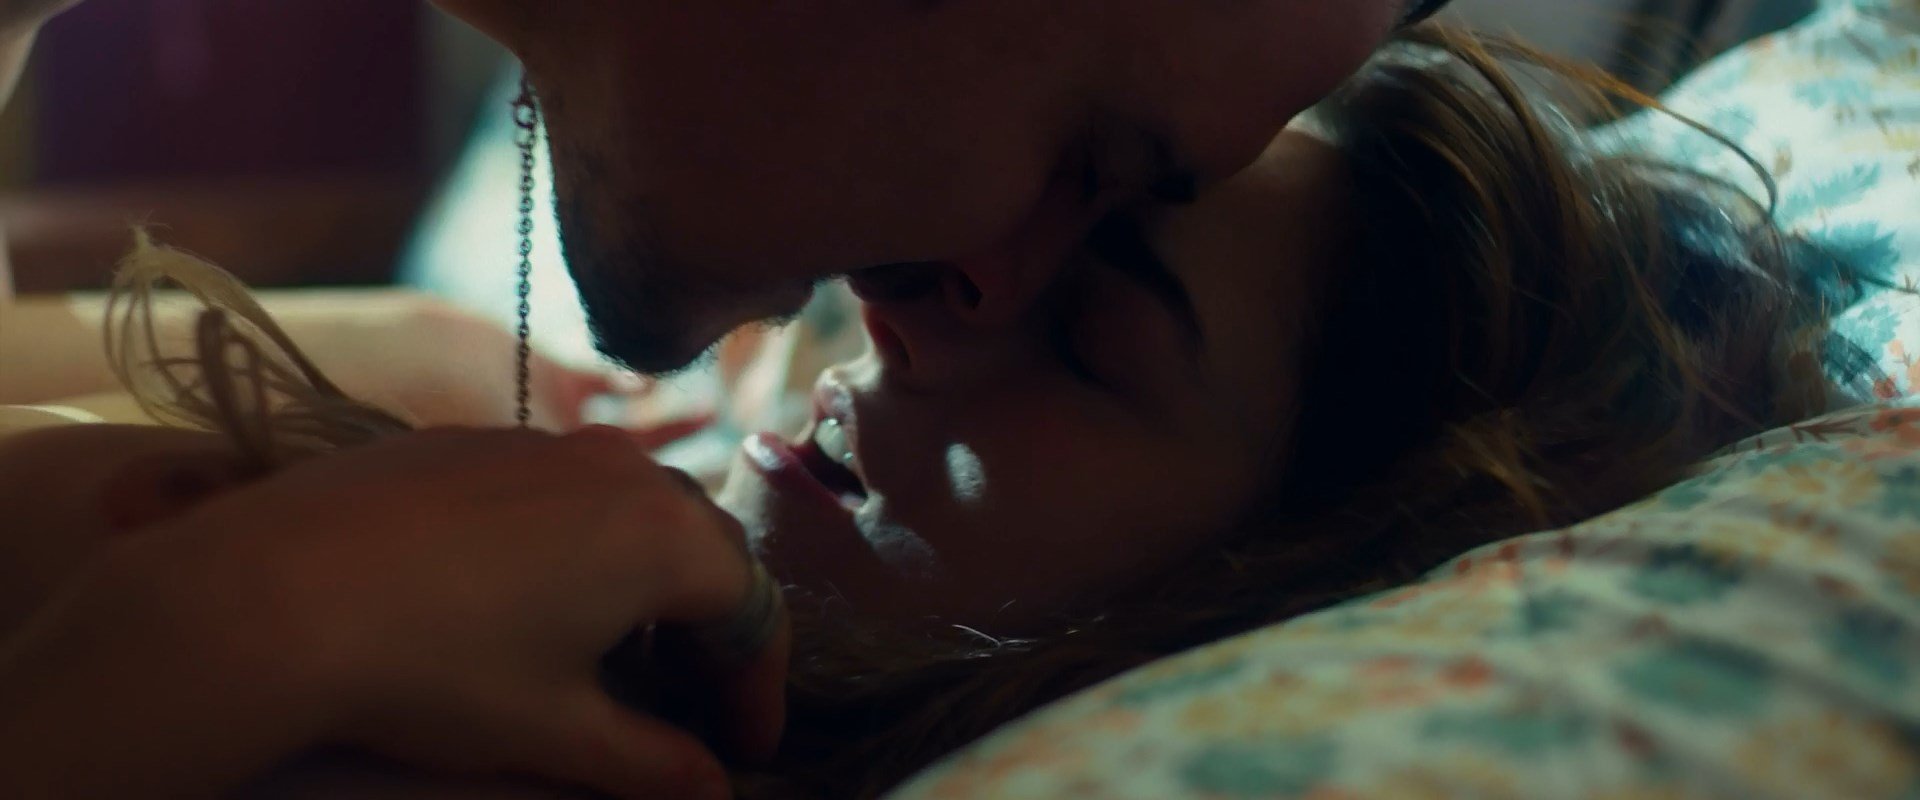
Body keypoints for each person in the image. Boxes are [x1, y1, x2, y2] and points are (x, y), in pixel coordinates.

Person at [6, 20, 1870, 798]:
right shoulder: (485, 418)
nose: (899, 304)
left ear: (1243, 600)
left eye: (1089, 337)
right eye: (1076, 154)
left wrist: (214, 642)